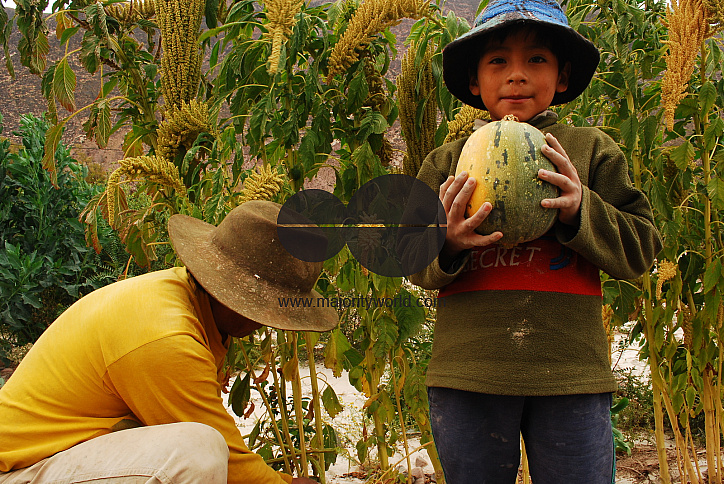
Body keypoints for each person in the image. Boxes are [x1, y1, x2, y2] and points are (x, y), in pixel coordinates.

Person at [407, 0, 663, 482]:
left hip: (571, 374)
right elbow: (408, 258)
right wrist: (449, 240)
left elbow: (642, 246)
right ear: (473, 81)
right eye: (498, 60)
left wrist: (582, 207)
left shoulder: (590, 150)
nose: (516, 76)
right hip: (469, 374)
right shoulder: (448, 161)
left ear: (562, 77)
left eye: (537, 60)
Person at [0, 200, 337, 484]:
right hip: (21, 470)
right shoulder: (168, 338)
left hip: (64, 454)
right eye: (266, 305)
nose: (267, 321)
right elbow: (230, 461)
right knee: (198, 452)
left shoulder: (187, 299)